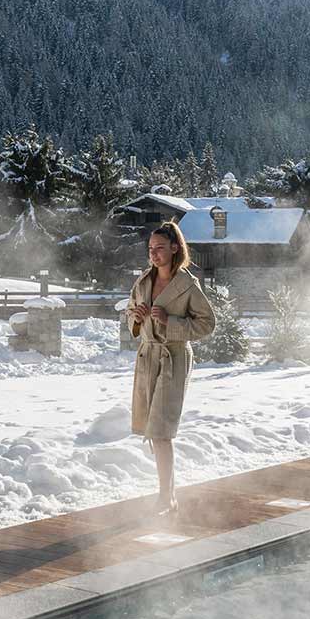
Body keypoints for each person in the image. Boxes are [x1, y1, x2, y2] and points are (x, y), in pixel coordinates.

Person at [127, 221, 216, 517]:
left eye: (160, 248)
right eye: (150, 249)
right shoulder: (143, 282)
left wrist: (170, 322)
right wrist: (137, 318)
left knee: (161, 430)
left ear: (175, 248)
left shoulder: (187, 285)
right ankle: (167, 492)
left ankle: (167, 497)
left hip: (173, 359)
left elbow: (207, 324)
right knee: (153, 431)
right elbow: (132, 318)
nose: (154, 254)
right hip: (148, 357)